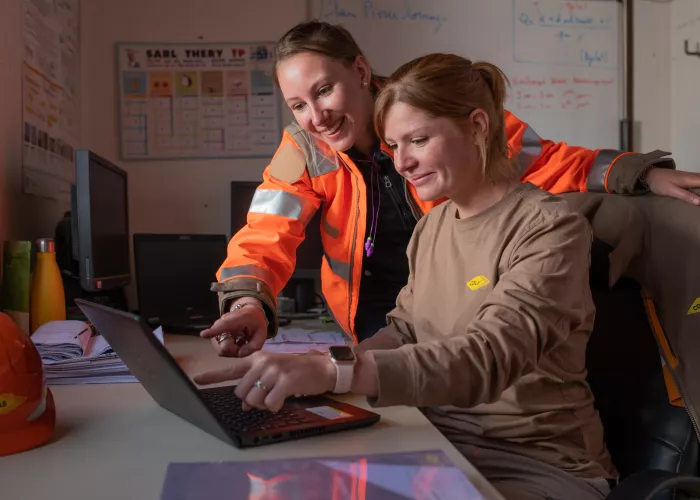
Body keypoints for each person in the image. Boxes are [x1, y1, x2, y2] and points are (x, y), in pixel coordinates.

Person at [196, 52, 616, 500]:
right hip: (430, 441)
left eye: (418, 140)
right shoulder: (434, 225)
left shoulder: (551, 228)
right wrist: (306, 366)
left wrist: (332, 372)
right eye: (393, 147)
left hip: (532, 464)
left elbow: (487, 358)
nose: (402, 164)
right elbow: (404, 329)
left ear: (477, 126)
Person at [203, 20, 700, 356]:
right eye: (297, 105)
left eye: (324, 91)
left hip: (457, 305)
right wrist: (248, 303)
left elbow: (540, 158)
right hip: (376, 314)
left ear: (358, 70)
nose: (316, 117)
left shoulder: (429, 106)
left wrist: (642, 174)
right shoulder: (304, 151)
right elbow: (265, 233)